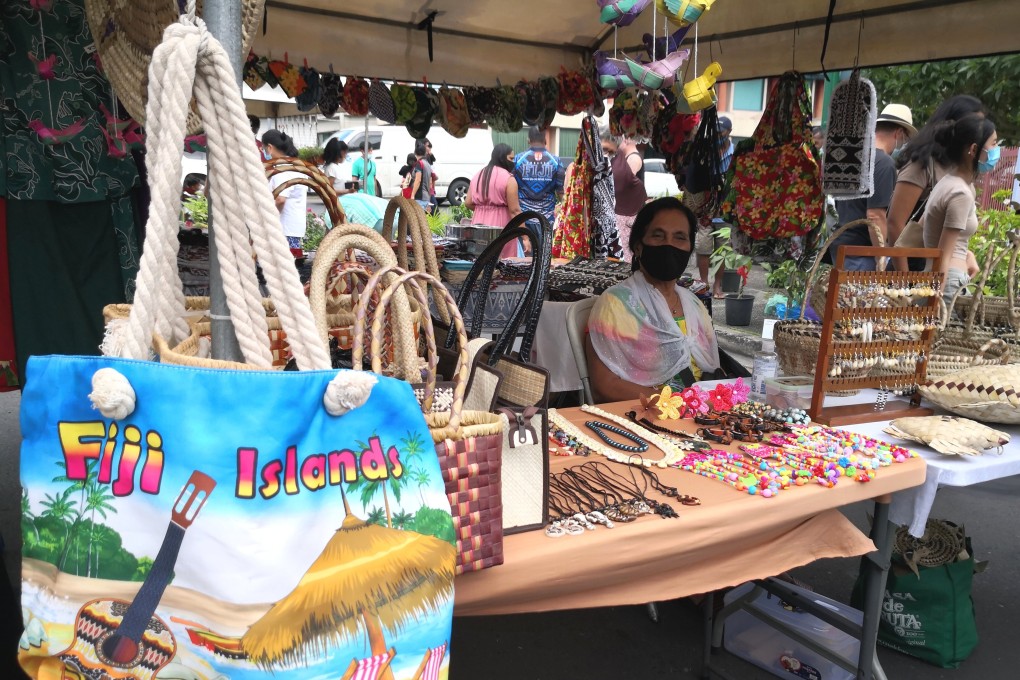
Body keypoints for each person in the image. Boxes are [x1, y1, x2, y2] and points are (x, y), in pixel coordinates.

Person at [586, 197, 722, 402]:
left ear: (689, 248)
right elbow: (605, 386)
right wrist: (675, 404)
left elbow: (711, 370)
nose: (669, 245)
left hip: (701, 414)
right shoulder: (617, 305)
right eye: (658, 236)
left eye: (679, 238)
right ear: (639, 246)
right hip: (647, 417)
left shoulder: (694, 305)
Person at [887, 94, 987, 271]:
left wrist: (967, 255)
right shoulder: (923, 164)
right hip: (913, 268)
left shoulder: (958, 170)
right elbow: (895, 223)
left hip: (939, 269)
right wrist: (903, 279)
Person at [828, 103, 916, 271]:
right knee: (860, 298)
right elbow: (875, 216)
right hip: (861, 252)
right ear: (898, 133)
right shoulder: (883, 163)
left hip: (840, 244)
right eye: (904, 139)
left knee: (842, 297)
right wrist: (881, 257)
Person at [922, 113, 998, 304]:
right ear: (974, 149)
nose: (998, 151)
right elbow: (943, 254)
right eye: (994, 144)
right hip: (948, 284)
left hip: (946, 277)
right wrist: (935, 299)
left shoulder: (951, 182)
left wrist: (967, 254)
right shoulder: (960, 193)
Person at [465, 144, 522, 257]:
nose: (513, 161)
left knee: (479, 260)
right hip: (501, 225)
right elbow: (514, 211)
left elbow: (468, 202)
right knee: (502, 263)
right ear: (502, 157)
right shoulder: (509, 179)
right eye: (511, 158)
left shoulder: (478, 175)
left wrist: (482, 209)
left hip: (478, 225)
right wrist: (525, 236)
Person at [602, 131, 647, 261]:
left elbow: (621, 183)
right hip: (623, 212)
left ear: (626, 139)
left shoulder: (632, 158)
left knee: (624, 253)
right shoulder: (623, 158)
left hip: (627, 214)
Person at [514, 126, 565, 232]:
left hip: (522, 220)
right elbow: (561, 192)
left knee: (524, 248)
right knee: (545, 249)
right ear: (545, 139)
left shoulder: (518, 160)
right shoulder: (556, 161)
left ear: (528, 140)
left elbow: (510, 187)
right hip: (546, 220)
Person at [262, 129, 307, 250]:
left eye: (264, 148)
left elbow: (280, 199)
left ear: (270, 147)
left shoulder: (282, 169)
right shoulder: (296, 165)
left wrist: (268, 219)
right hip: (293, 227)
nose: (264, 152)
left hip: (284, 228)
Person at [408, 140, 437, 214]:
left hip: (419, 197)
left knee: (417, 223)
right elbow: (431, 180)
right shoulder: (427, 163)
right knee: (424, 222)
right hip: (426, 197)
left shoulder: (419, 163)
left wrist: (412, 195)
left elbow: (418, 180)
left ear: (415, 153)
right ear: (424, 153)